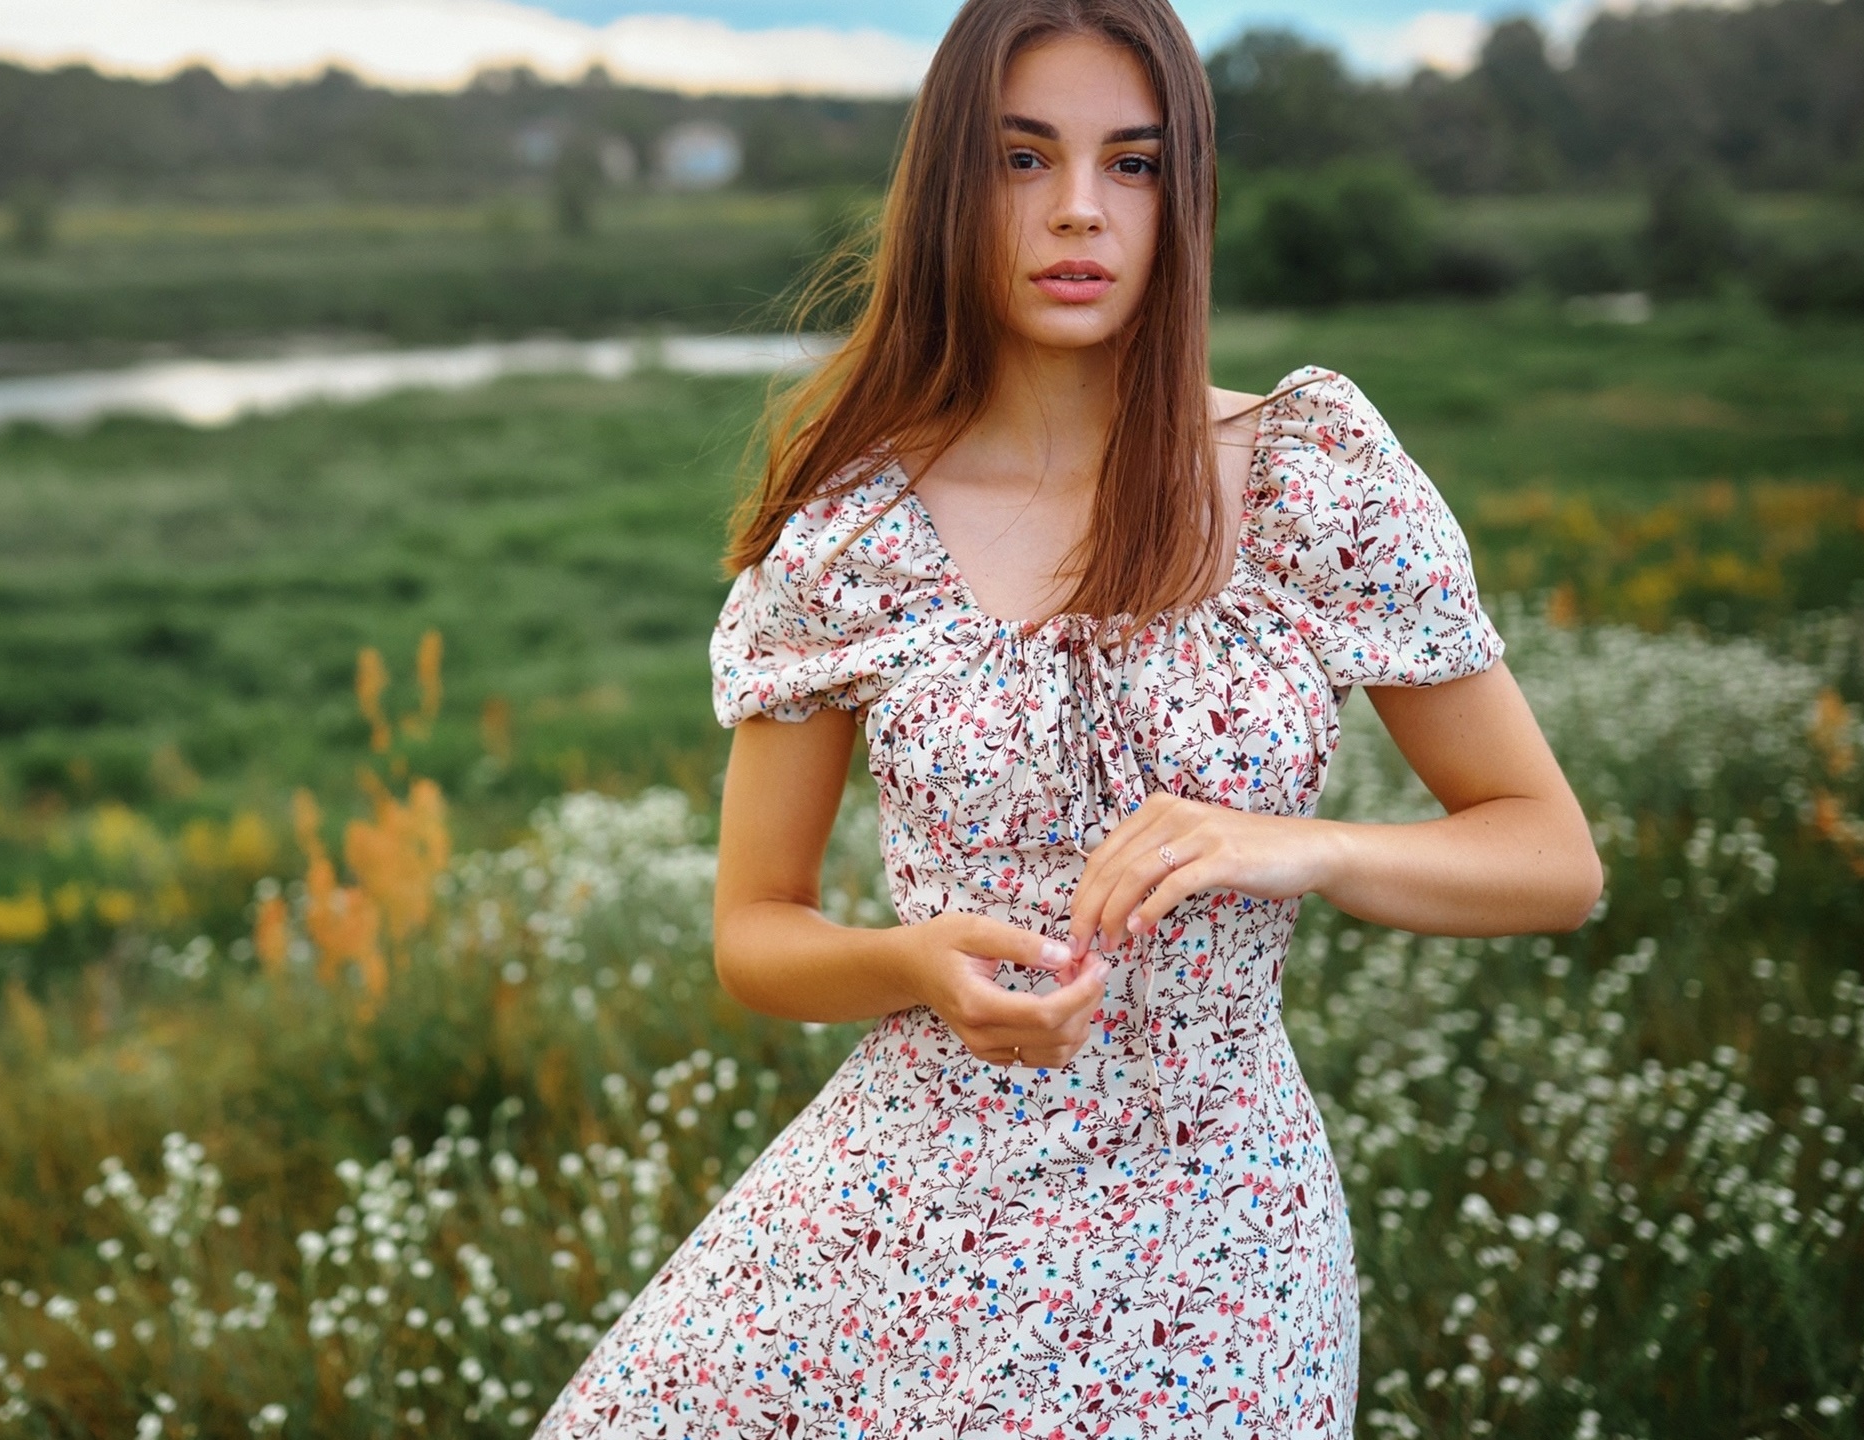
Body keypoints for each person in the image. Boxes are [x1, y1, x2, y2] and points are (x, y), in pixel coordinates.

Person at [534, 1, 1602, 1434]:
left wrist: (1299, 846)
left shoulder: (1313, 478)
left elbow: (1552, 860)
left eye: (1135, 164)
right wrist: (913, 960)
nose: (1080, 211)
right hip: (908, 1218)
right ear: (950, 192)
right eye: (1023, 160)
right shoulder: (855, 528)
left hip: (1216, 1236)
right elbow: (756, 932)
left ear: (1186, 195)